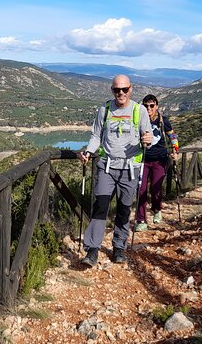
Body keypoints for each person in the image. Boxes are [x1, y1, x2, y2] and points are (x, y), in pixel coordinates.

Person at [78, 75, 153, 266]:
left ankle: (119, 247)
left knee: (124, 209)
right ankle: (92, 250)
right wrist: (88, 151)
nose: (120, 93)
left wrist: (148, 141)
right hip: (107, 166)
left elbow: (148, 135)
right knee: (100, 206)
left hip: (130, 169)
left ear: (131, 89)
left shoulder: (139, 110)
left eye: (124, 89)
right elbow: (96, 135)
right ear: (112, 90)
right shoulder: (104, 109)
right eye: (116, 90)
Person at [134, 95, 179, 231]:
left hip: (160, 159)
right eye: (146, 106)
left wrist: (175, 151)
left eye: (151, 106)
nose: (149, 108)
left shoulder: (162, 121)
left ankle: (157, 209)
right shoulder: (139, 121)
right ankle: (141, 220)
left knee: (155, 188)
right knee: (140, 189)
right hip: (143, 160)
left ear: (156, 106)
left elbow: (172, 136)